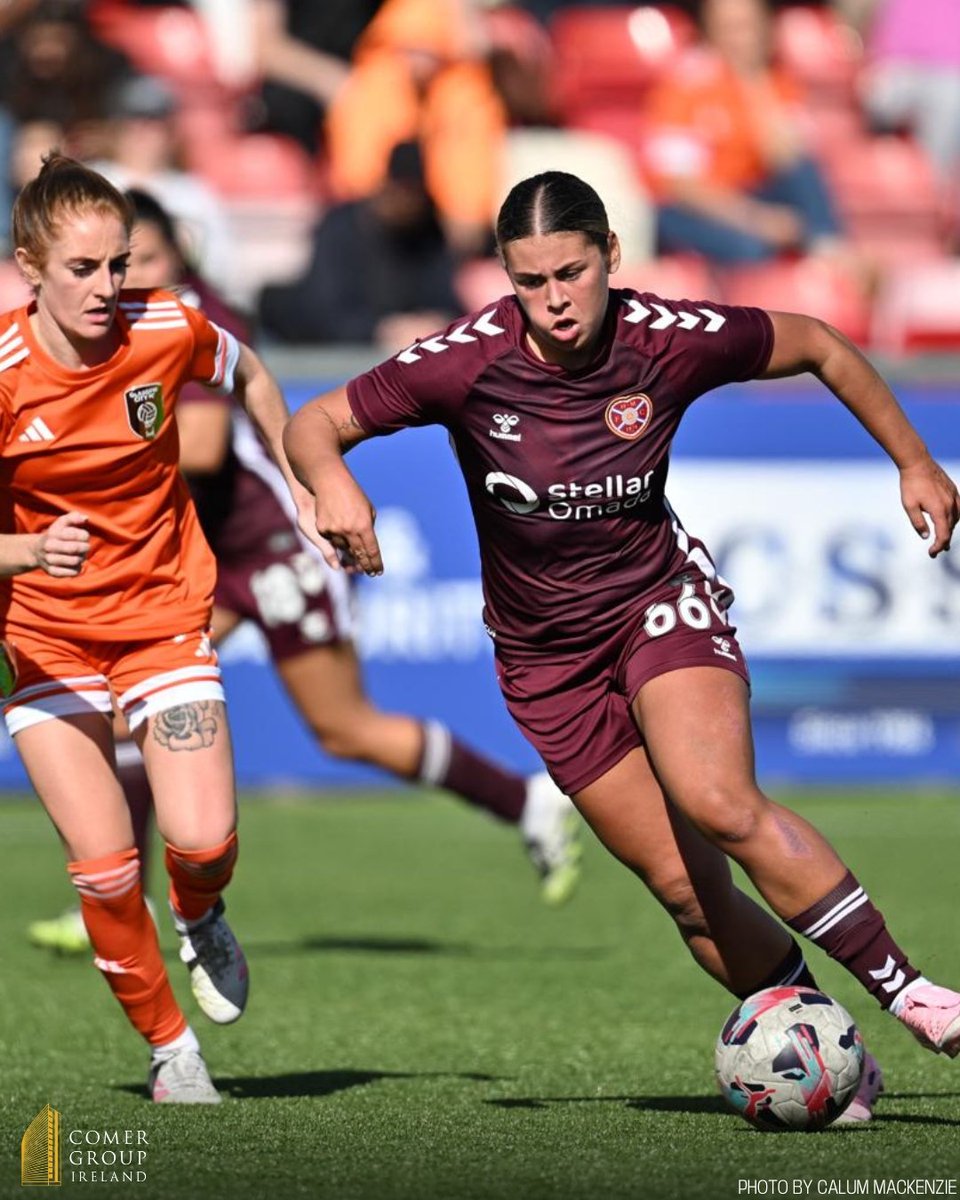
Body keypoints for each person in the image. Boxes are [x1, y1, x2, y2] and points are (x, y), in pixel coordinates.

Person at [283, 170, 960, 1122]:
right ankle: (821, 1040)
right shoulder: (467, 363)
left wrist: (915, 458)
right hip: (544, 662)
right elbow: (313, 421)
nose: (554, 301)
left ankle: (913, 996)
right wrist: (331, 483)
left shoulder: (667, 341)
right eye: (529, 282)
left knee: (718, 803)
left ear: (609, 254)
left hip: (656, 602)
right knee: (690, 894)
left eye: (571, 271)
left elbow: (816, 342)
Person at [26, 184, 582, 958]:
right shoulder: (105, 330)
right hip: (206, 559)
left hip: (273, 547)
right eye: (116, 262)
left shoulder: (189, 319)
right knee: (131, 709)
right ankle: (130, 903)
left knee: (344, 728)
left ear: (174, 254)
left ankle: (527, 801)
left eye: (139, 259)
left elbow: (209, 448)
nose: (123, 279)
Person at [1, 154, 316, 1104]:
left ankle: (200, 911)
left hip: (161, 617)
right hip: (41, 638)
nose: (107, 289)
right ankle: (171, 1051)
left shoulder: (166, 322)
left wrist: (302, 480)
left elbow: (251, 369)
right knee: (102, 872)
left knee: (204, 839)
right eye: (83, 270)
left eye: (118, 264)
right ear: (29, 269)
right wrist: (22, 555)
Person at [644, 0, 846, 264]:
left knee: (803, 170)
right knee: (750, 248)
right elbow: (680, 186)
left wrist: (754, 85)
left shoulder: (779, 82)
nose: (742, 38)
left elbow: (787, 157)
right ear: (709, 31)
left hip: (750, 192)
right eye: (731, 28)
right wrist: (756, 219)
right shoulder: (686, 86)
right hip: (690, 209)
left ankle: (832, 253)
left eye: (750, 26)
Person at [259, 140, 462, 350]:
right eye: (400, 192)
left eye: (413, 195)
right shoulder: (340, 227)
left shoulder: (427, 231)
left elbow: (446, 300)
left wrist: (434, 323)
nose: (406, 203)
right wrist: (381, 330)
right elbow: (324, 312)